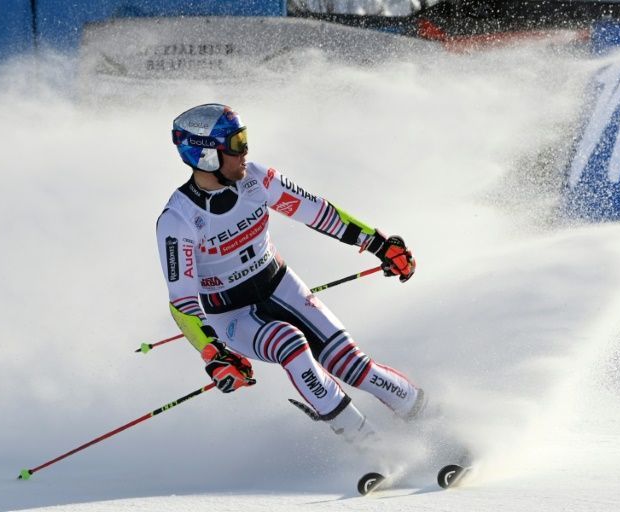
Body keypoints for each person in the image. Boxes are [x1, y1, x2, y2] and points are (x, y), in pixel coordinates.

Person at [156, 103, 423, 444]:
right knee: (290, 344)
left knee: (352, 364)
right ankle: (372, 446)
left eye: (245, 139)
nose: (245, 151)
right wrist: (214, 353)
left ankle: (432, 416)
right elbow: (183, 303)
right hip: (232, 314)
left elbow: (320, 214)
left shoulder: (255, 179)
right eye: (236, 144)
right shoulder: (177, 220)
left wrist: (379, 244)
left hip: (280, 285)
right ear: (206, 155)